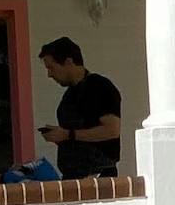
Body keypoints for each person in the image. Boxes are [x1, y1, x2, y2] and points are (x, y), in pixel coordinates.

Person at [37, 36, 123, 179]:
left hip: (97, 175)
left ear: (69, 62)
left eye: (51, 68)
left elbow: (112, 130)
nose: (49, 74)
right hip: (71, 175)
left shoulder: (100, 86)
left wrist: (68, 134)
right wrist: (60, 137)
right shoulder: (68, 96)